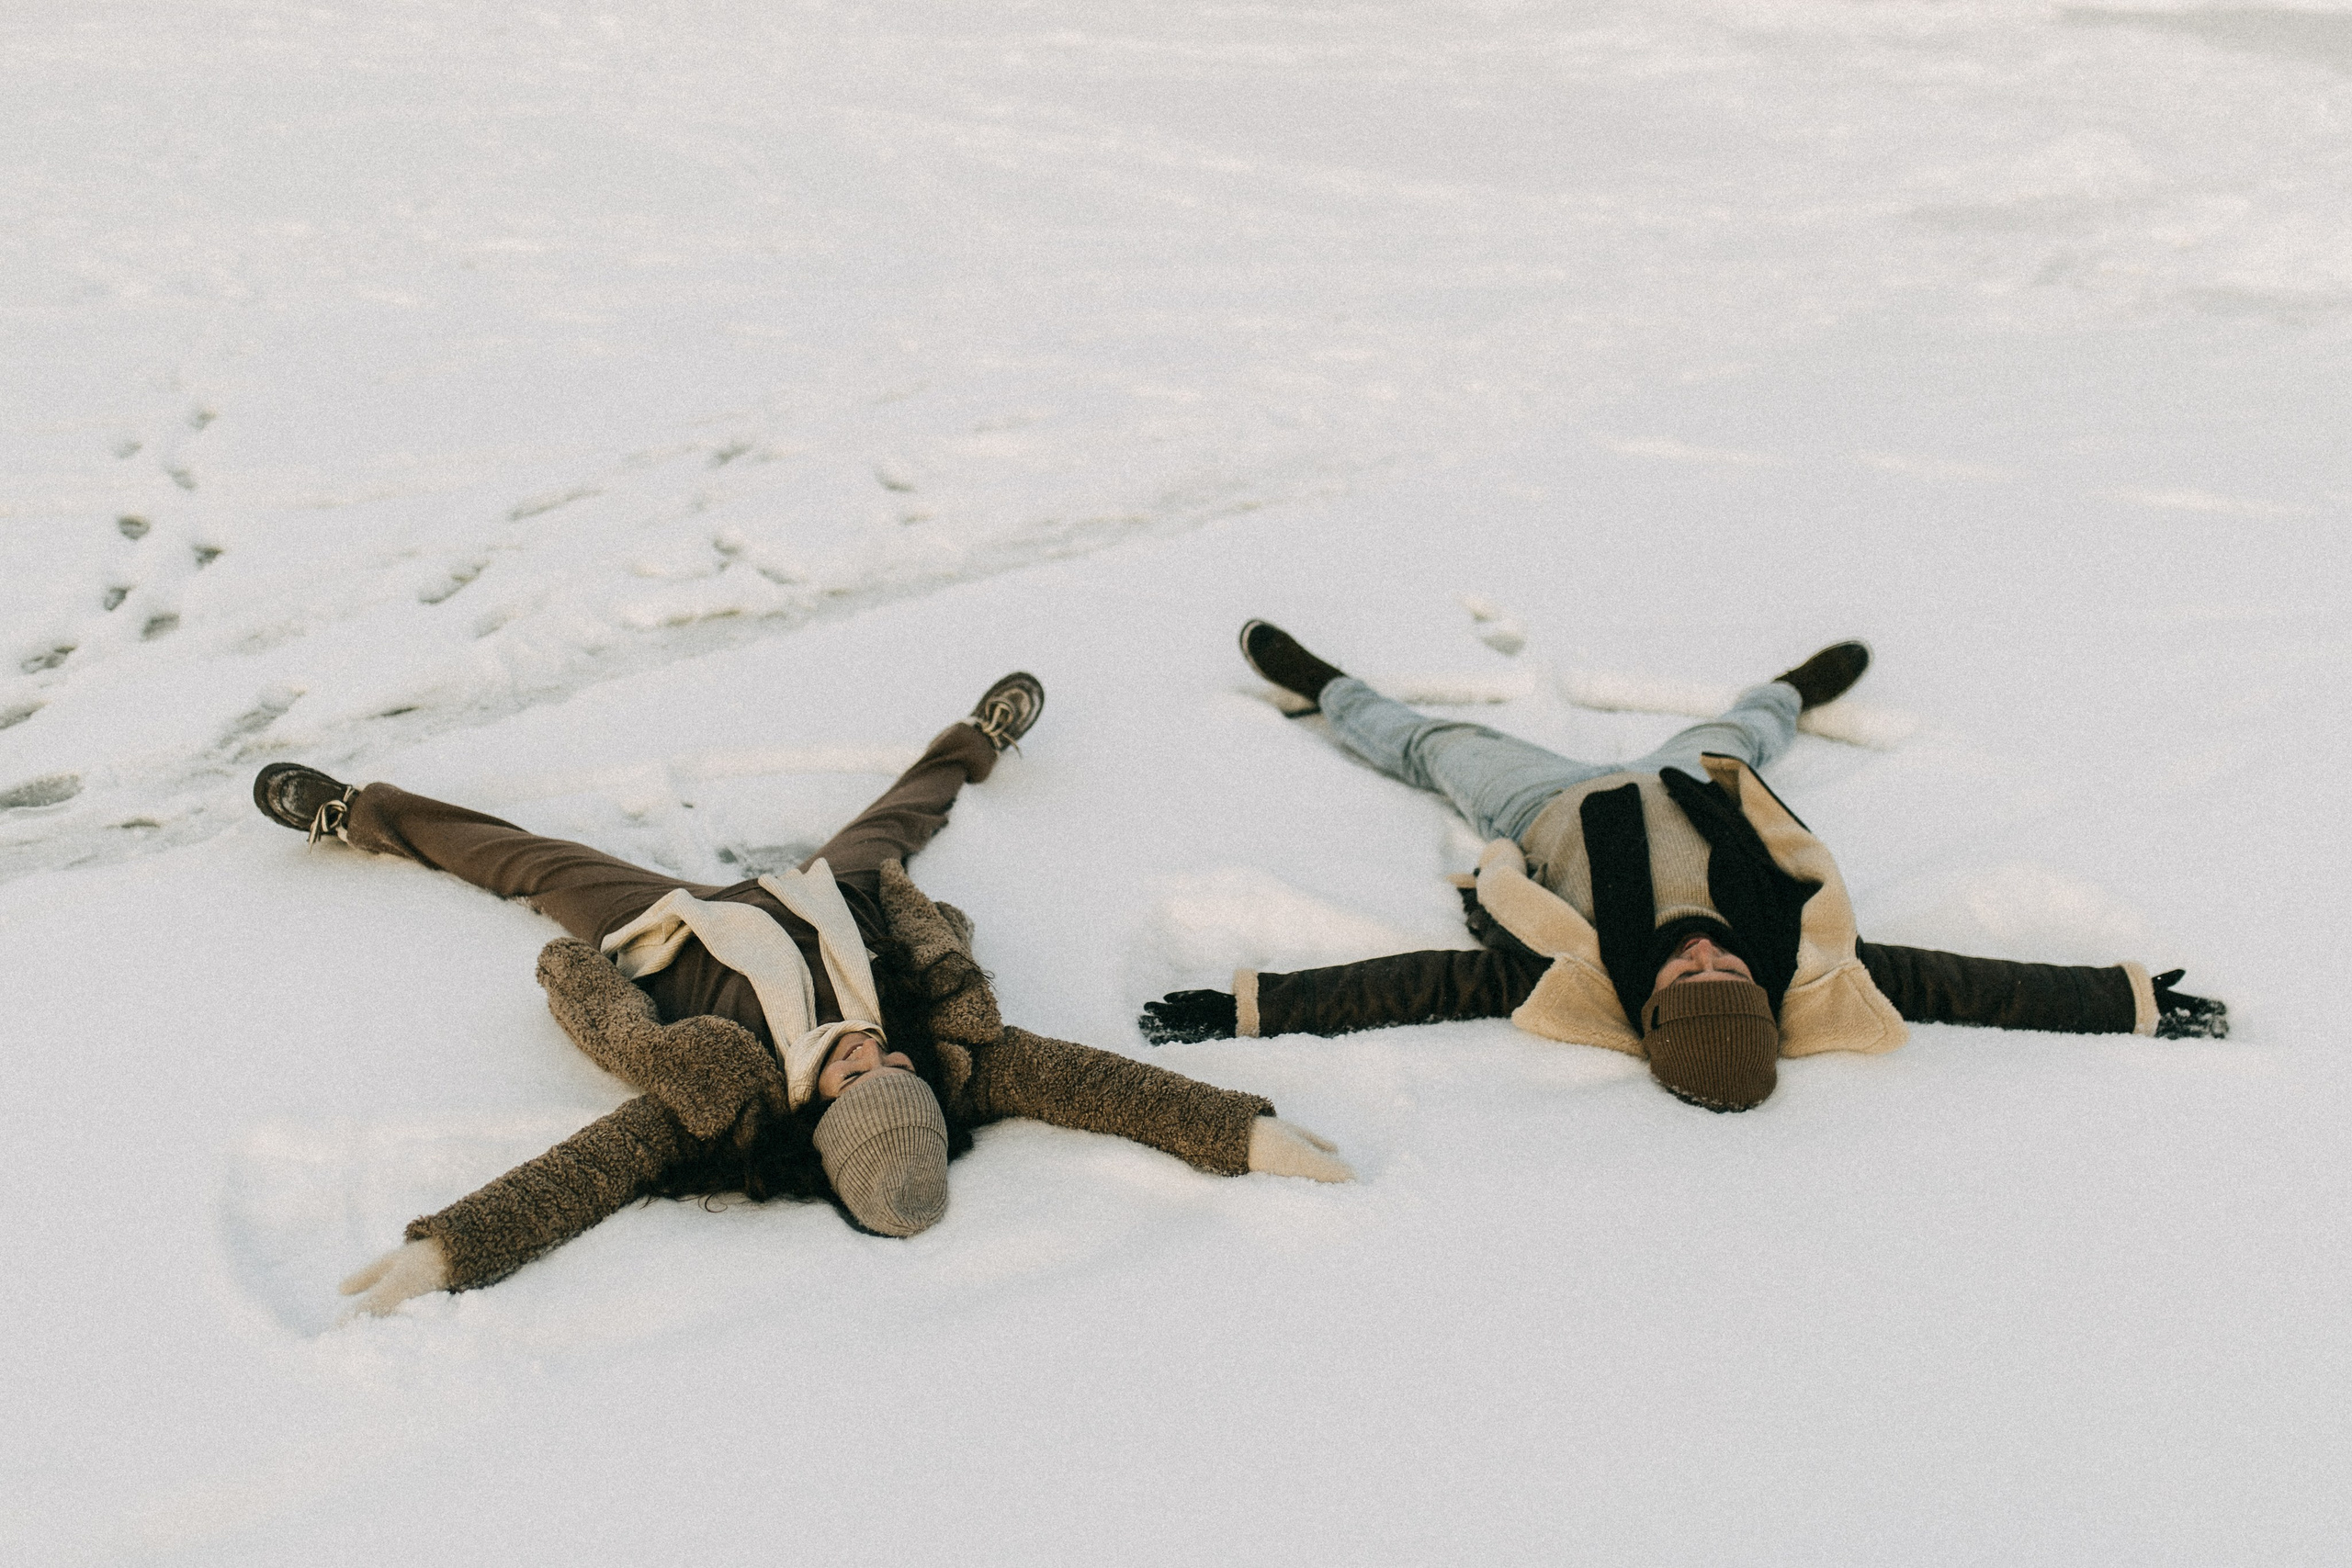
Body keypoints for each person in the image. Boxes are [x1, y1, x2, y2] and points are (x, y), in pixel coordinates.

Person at [259, 673, 1352, 1318]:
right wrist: (1252, 1137)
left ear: (826, 1117)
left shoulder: (720, 1100)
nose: (880, 1054)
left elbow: (579, 1179)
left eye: (860, 1078)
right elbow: (1101, 1089)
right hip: (833, 896)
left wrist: (440, 1253)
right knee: (905, 817)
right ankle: (977, 739)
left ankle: (358, 811)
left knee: (530, 862)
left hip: (678, 918)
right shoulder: (958, 1061)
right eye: (897, 1070)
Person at [1139, 625, 2228, 1111]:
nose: (1706, 956)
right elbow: (1963, 984)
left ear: (1650, 1010)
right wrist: (2121, 999)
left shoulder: (1574, 979)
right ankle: (1793, 689)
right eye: (1728, 977)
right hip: (1688, 782)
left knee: (1431, 748)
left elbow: (1409, 987)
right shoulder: (1804, 961)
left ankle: (1326, 687)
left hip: (1546, 807)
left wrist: (1248, 1008)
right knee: (1742, 732)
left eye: (1687, 982)